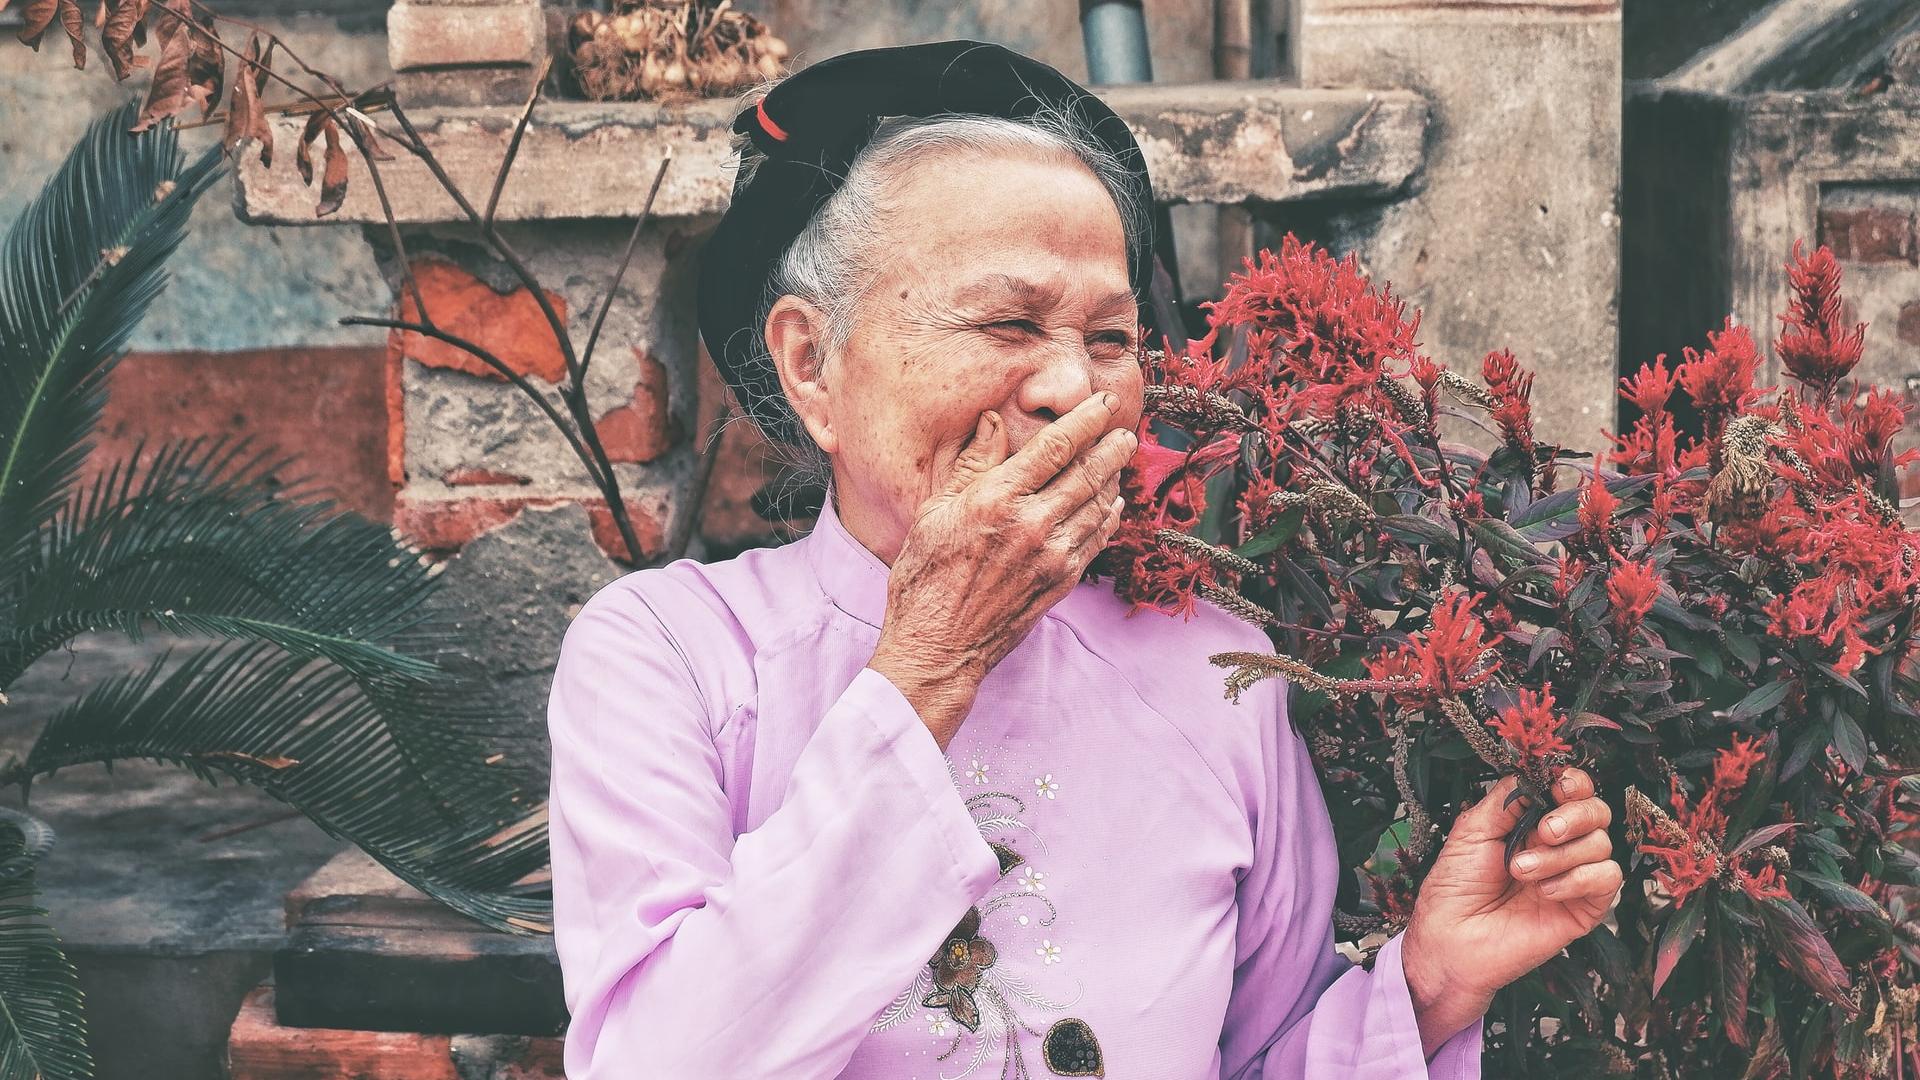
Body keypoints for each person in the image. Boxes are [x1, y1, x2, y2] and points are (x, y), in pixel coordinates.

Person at [546, 40, 1622, 1079]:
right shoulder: (672, 658)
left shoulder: (1217, 679)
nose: (1075, 388)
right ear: (812, 365)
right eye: (1009, 321)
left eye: (1111, 340)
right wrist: (924, 673)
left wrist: (1433, 987)